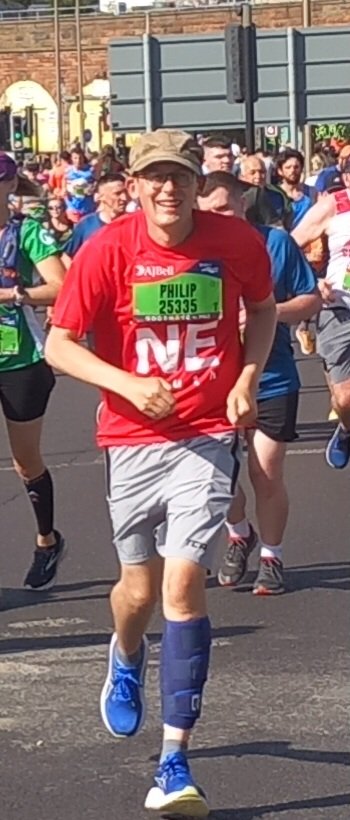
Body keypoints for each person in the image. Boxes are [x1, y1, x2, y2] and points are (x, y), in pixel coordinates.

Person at [46, 128, 276, 818]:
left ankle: (175, 761)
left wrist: (247, 375)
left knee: (183, 581)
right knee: (137, 591)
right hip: (130, 436)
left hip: (205, 434)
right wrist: (125, 381)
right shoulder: (107, 249)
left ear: (197, 181)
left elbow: (261, 311)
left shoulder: (234, 242)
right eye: (154, 177)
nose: (168, 188)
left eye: (179, 175)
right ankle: (124, 653)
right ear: (136, 183)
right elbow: (59, 344)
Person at [197, 172, 321, 594]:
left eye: (226, 208)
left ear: (242, 203)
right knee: (218, 478)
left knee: (264, 471)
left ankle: (272, 554)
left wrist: (268, 312)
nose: (220, 217)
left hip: (271, 376)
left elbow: (310, 298)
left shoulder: (275, 243)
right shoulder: (193, 250)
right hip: (212, 380)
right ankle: (239, 533)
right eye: (210, 211)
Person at [0, 152, 66, 590]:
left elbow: (60, 285)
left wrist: (14, 295)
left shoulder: (28, 232)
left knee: (25, 462)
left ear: (10, 186)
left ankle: (47, 540)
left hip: (20, 360)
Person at [292, 159, 350, 469]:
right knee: (344, 399)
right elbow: (290, 246)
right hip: (340, 309)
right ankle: (346, 429)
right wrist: (313, 282)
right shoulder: (334, 206)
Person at [61, 173, 128, 265]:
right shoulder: (87, 224)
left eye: (126, 192)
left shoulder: (134, 224)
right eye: (117, 194)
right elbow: (66, 256)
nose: (124, 198)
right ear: (101, 197)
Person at [276, 148, 313, 228]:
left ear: (301, 168)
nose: (292, 170)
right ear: (280, 171)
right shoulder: (274, 194)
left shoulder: (312, 193)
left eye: (296, 167)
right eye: (288, 167)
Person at [64, 148, 95, 223]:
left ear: (83, 158)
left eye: (80, 158)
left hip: (87, 207)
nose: (78, 160)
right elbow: (64, 187)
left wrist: (92, 189)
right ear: (71, 159)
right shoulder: (67, 171)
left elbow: (96, 185)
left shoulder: (90, 170)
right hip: (73, 206)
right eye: (75, 158)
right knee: (77, 229)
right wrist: (66, 192)